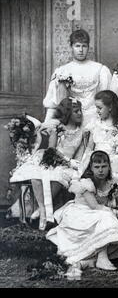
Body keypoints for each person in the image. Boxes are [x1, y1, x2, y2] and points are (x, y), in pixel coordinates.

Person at [47, 151, 118, 279]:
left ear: (109, 167)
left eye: (104, 166)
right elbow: (95, 206)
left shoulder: (113, 183)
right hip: (80, 214)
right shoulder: (86, 182)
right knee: (106, 217)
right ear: (91, 168)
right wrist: (115, 212)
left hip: (97, 214)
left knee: (107, 219)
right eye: (97, 167)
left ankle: (90, 260)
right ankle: (102, 257)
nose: (101, 170)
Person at [10, 98, 86, 230]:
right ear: (67, 113)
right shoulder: (57, 128)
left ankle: (42, 210)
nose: (79, 113)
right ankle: (43, 211)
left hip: (67, 163)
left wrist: (70, 162)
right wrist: (58, 158)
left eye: (80, 110)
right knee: (36, 174)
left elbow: (79, 155)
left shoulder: (82, 132)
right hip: (51, 158)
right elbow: (52, 149)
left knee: (58, 176)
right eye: (75, 111)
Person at [43, 29, 111, 127]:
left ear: (88, 47)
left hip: (95, 115)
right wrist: (47, 123)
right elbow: (55, 102)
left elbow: (105, 99)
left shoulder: (100, 69)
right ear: (71, 47)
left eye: (84, 46)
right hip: (72, 117)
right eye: (77, 46)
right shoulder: (62, 71)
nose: (81, 50)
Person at [82, 90, 118, 195]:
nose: (97, 111)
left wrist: (113, 163)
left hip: (113, 161)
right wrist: (87, 160)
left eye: (100, 108)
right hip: (96, 159)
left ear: (110, 108)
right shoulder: (95, 122)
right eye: (96, 108)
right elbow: (90, 147)